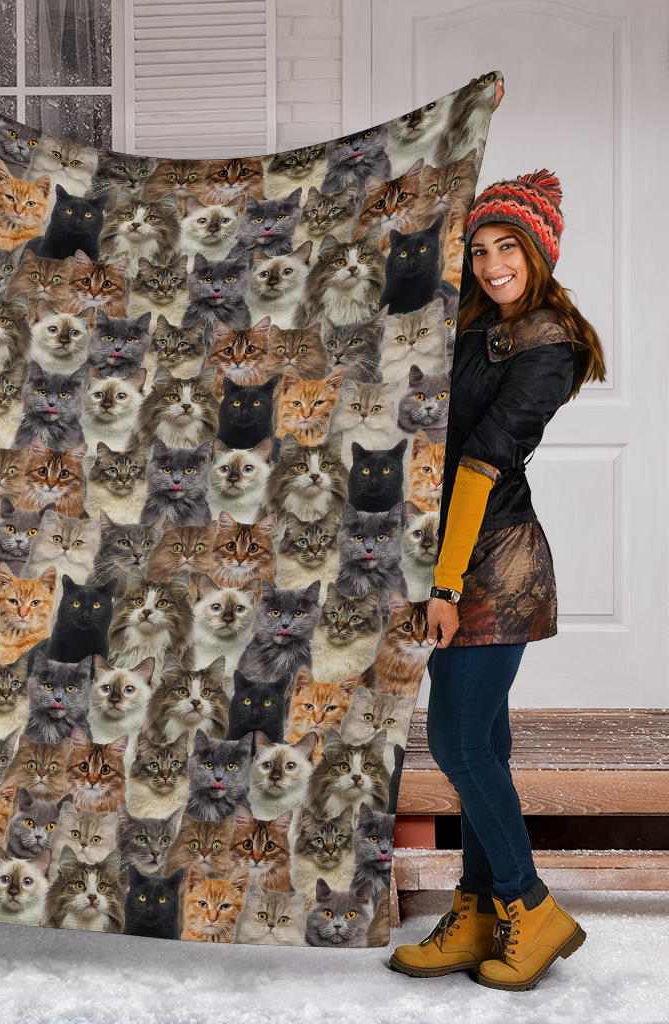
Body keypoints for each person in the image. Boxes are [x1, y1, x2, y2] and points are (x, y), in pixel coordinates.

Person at [387, 164, 607, 990]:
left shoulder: (549, 343)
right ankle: (479, 912)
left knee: (457, 744)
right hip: (454, 553)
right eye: (479, 249)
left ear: (538, 253)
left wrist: (444, 588)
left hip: (496, 567)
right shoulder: (477, 323)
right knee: (485, 745)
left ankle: (530, 905)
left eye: (507, 247)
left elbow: (481, 463)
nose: (491, 264)